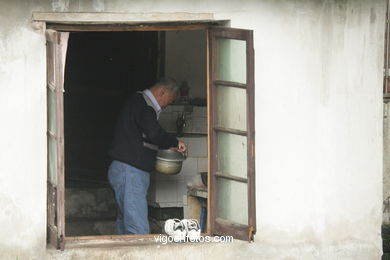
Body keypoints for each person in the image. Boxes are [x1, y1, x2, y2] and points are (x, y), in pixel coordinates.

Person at [107, 78, 187, 235]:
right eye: (168, 102)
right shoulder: (145, 106)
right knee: (138, 230)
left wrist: (166, 143)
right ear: (162, 92)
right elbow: (154, 133)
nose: (166, 106)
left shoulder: (136, 102)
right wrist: (175, 142)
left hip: (123, 170)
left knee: (125, 226)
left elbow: (147, 135)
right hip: (130, 173)